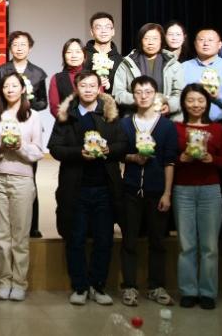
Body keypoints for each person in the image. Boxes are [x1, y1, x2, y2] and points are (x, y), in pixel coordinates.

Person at [49, 70, 126, 307]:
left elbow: (123, 144)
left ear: (99, 88)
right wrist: (78, 153)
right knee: (76, 238)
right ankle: (80, 286)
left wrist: (108, 150)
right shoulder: (67, 115)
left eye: (93, 85)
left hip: (105, 187)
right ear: (77, 88)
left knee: (104, 240)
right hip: (76, 188)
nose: (89, 89)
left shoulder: (110, 114)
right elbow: (55, 148)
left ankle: (98, 285)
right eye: (84, 85)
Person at [0, 72, 44, 302]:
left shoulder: (32, 116)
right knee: (1, 234)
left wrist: (20, 147)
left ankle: (19, 282)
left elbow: (38, 151)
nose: (10, 89)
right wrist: (0, 147)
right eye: (6, 86)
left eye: (14, 86)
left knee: (19, 235)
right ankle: (4, 281)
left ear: (23, 89)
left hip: (22, 179)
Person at [118, 76, 178, 307]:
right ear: (133, 95)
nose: (143, 96)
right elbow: (118, 154)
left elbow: (169, 162)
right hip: (131, 190)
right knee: (129, 240)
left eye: (148, 92)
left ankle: (156, 286)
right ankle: (129, 287)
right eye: (138, 92)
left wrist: (167, 193)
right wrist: (133, 158)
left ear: (156, 94)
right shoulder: (125, 124)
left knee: (158, 241)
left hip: (156, 191)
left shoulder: (166, 126)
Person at [173, 84, 222, 310]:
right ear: (184, 103)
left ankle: (208, 292)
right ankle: (188, 291)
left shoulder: (218, 129)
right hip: (183, 190)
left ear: (207, 103)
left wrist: (212, 160)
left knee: (210, 246)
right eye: (190, 100)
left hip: (210, 190)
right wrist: (181, 159)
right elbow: (168, 158)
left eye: (200, 100)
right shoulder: (176, 128)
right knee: (186, 245)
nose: (195, 105)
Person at [0, 30, 48, 238]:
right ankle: (8, 225)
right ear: (10, 47)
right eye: (15, 44)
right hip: (5, 125)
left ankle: (32, 225)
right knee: (3, 177)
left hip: (27, 124)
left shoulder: (38, 73)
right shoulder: (1, 71)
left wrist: (26, 103)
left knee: (30, 177)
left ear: (30, 47)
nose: (19, 48)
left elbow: (43, 102)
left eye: (23, 44)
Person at [111, 23, 183, 117]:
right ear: (141, 41)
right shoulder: (127, 64)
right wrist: (138, 99)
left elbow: (179, 92)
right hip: (134, 116)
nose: (150, 42)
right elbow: (118, 93)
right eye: (146, 38)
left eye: (155, 38)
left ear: (161, 41)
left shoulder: (173, 64)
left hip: (166, 117)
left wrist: (169, 105)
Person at [179, 28, 222, 122]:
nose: (206, 43)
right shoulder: (183, 68)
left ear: (220, 45)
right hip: (190, 122)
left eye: (210, 40)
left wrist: (219, 96)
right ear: (195, 44)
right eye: (201, 40)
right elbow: (177, 95)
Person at [83, 12, 122, 92]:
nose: (103, 31)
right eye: (98, 27)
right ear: (92, 32)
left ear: (113, 31)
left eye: (107, 27)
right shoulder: (82, 55)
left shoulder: (120, 60)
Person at [48, 38, 86, 119]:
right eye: (69, 52)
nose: (74, 56)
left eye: (78, 52)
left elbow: (100, 105)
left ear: (84, 55)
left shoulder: (93, 76)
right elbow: (54, 108)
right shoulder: (57, 78)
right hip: (65, 124)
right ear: (64, 56)